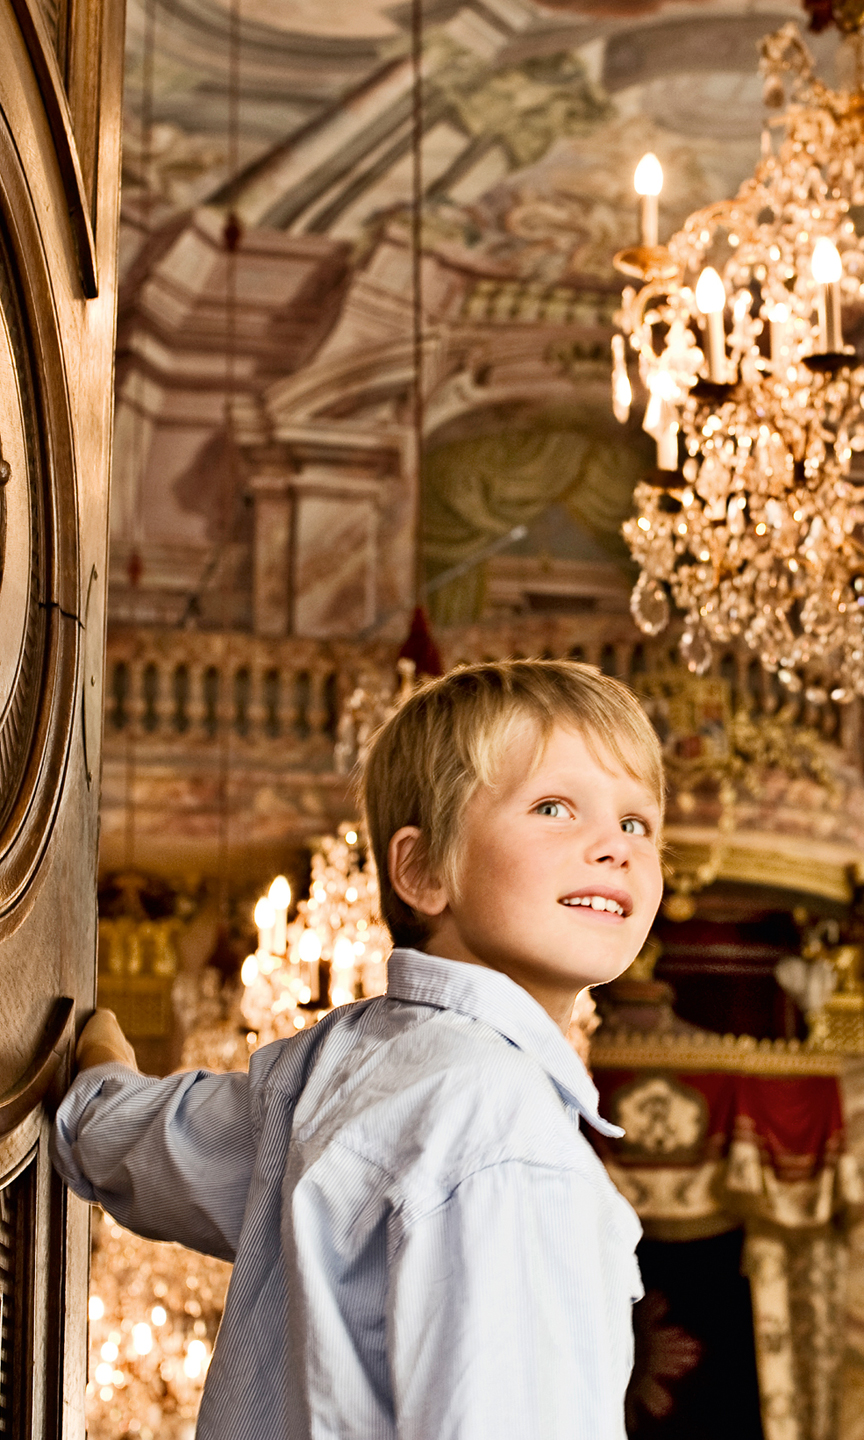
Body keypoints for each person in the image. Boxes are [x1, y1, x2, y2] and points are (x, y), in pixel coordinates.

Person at [52, 658, 665, 1439]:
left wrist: (96, 1059)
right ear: (421, 870)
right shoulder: (506, 1133)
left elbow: (133, 1142)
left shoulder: (323, 1075)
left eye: (637, 822)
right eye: (554, 807)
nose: (615, 847)